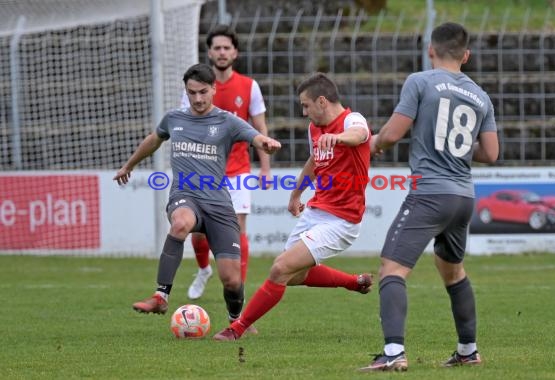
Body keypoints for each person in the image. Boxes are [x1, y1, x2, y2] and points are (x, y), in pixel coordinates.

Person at [359, 22, 499, 372]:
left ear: (430, 50)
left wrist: (373, 144)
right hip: (464, 197)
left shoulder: (420, 81)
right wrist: (456, 148)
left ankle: (393, 352)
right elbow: (491, 154)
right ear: (466, 55)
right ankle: (468, 350)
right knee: (452, 272)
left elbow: (392, 134)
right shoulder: (481, 96)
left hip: (431, 193)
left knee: (392, 269)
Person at [114, 63, 281, 325]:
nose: (198, 99)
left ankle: (236, 320)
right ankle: (161, 296)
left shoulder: (227, 120)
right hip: (185, 194)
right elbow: (153, 140)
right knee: (180, 224)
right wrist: (129, 165)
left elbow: (254, 136)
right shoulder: (174, 119)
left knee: (231, 279)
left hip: (218, 202)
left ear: (214, 89)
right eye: (192, 93)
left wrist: (266, 144)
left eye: (203, 92)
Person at [212, 72, 374, 341]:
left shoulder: (351, 120)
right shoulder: (315, 130)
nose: (304, 112)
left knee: (279, 269)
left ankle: (236, 328)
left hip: (342, 221)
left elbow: (360, 134)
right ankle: (354, 282)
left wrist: (340, 138)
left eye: (306, 105)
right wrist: (295, 195)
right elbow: (313, 162)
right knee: (294, 276)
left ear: (322, 101)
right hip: (316, 211)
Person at [180, 25, 272, 301]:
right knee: (198, 235)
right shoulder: (195, 88)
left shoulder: (249, 86)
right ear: (209, 52)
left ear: (235, 52)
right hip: (202, 173)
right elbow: (182, 128)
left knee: (238, 231)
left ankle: (238, 297)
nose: (221, 52)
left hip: (237, 171)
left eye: (226, 48)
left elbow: (260, 129)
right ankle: (204, 269)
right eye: (217, 48)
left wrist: (265, 167)